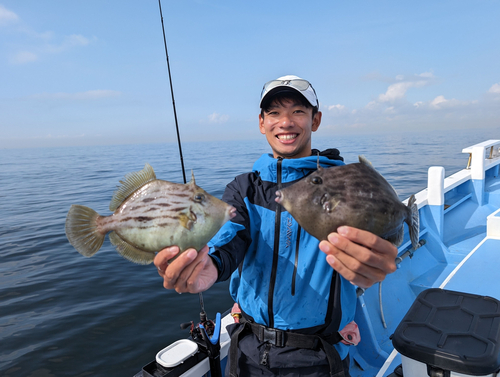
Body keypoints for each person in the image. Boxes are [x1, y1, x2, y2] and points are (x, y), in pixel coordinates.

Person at [154, 75, 398, 376]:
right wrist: (210, 266)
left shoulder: (345, 184)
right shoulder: (245, 189)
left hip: (320, 356)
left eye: (298, 111)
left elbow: (375, 234)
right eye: (274, 113)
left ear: (315, 120)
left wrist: (381, 258)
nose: (286, 122)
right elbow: (231, 237)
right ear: (261, 123)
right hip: (248, 353)